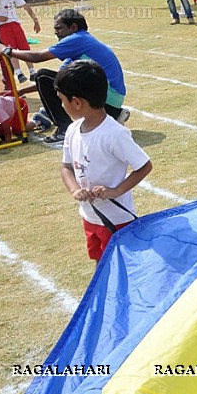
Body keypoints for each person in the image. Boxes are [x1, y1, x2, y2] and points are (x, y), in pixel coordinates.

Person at [56, 60, 152, 262]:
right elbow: (66, 167)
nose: (61, 105)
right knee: (100, 263)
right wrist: (75, 190)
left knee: (121, 263)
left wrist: (116, 191)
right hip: (89, 216)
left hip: (117, 219)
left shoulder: (114, 134)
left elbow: (144, 166)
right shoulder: (73, 130)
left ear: (76, 102)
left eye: (61, 100)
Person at [0, 9, 127, 144]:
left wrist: (7, 50)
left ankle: (64, 129)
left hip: (106, 101)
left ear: (73, 27)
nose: (56, 32)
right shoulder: (80, 45)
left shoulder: (78, 39)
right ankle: (114, 114)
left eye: (59, 28)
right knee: (46, 79)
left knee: (41, 76)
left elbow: (37, 57)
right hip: (110, 101)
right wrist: (19, 92)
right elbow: (57, 82)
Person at [0, 0, 40, 85]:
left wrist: (36, 21)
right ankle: (19, 73)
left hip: (15, 25)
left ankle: (32, 71)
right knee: (11, 50)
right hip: (3, 28)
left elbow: (26, 6)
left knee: (24, 47)